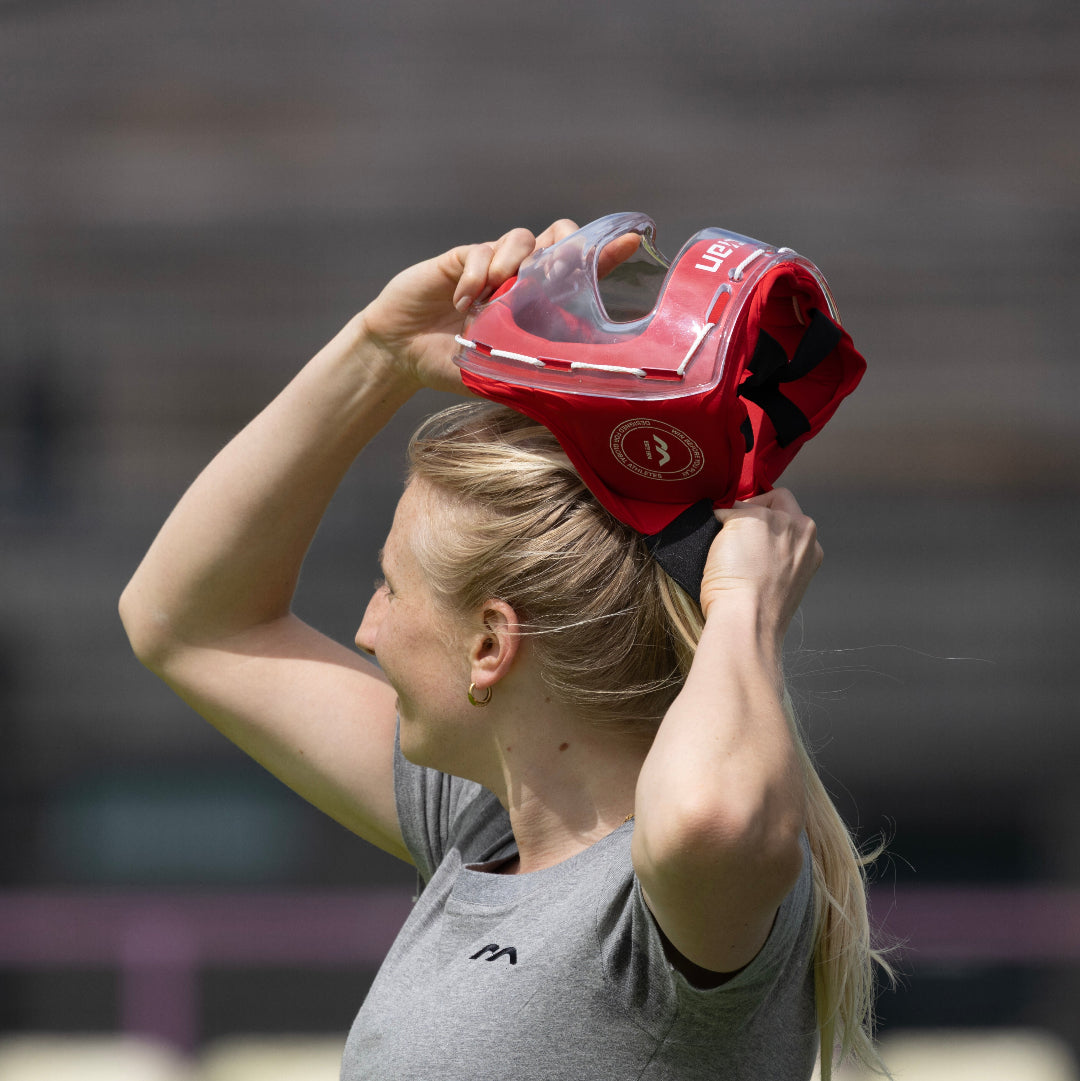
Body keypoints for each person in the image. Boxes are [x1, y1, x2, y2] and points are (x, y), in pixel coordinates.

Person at [119, 219, 888, 1080]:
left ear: (490, 643)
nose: (366, 629)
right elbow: (184, 623)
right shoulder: (485, 823)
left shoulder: (669, 904)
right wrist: (379, 351)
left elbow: (712, 822)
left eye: (389, 587)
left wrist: (744, 603)